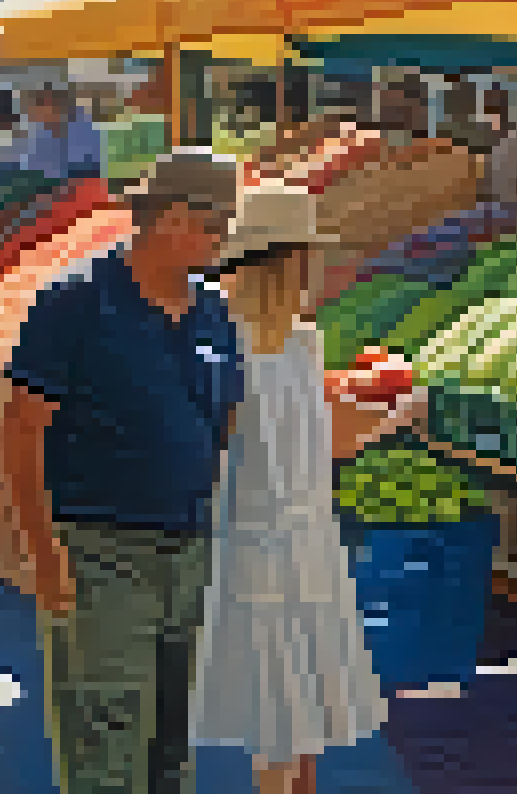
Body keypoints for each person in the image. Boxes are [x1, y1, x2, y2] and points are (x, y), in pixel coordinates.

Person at [4, 150, 245, 794]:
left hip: (188, 552)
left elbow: (222, 426)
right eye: (213, 224)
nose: (223, 239)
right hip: (98, 550)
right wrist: (43, 551)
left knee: (174, 743)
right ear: (168, 218)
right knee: (106, 744)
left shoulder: (214, 311)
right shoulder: (74, 303)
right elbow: (22, 430)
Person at [192, 182, 391, 794]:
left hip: (258, 542)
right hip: (294, 546)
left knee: (281, 716)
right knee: (293, 715)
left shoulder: (225, 344)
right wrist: (397, 413)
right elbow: (332, 444)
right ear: (293, 264)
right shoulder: (292, 345)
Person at [12, 87, 104, 181]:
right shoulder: (40, 133)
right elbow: (31, 164)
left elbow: (88, 167)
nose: (35, 115)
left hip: (81, 182)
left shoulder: (82, 127)